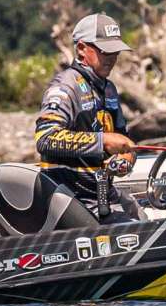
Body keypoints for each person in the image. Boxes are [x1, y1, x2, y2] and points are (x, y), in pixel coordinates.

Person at [35, 13, 146, 224]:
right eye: (105, 51)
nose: (112, 58)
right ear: (81, 48)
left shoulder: (109, 89)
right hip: (72, 202)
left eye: (116, 51)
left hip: (104, 195)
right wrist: (103, 141)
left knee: (149, 217)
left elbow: (123, 140)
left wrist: (126, 159)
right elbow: (45, 139)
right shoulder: (65, 87)